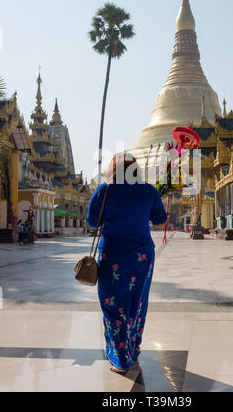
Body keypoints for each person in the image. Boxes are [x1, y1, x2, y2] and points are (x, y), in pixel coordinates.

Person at [86, 153, 167, 373]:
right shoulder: (149, 190)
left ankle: (121, 357)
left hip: (112, 254)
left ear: (112, 170)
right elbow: (161, 222)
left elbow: (92, 221)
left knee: (113, 305)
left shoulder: (105, 190)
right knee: (136, 301)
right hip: (141, 256)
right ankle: (133, 346)